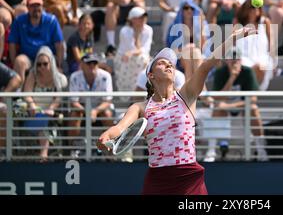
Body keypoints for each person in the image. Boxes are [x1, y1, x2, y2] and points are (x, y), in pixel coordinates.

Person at [97, 26, 257, 194]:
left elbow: (205, 66)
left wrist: (233, 37)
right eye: (161, 63)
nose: (168, 65)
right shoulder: (140, 107)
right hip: (158, 179)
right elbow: (120, 128)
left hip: (189, 178)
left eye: (171, 64)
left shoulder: (186, 96)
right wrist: (106, 136)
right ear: (151, 75)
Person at [206, 47, 268, 162]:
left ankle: (261, 150)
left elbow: (253, 99)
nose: (235, 62)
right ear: (227, 61)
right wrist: (232, 77)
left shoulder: (248, 72)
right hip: (225, 106)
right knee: (217, 110)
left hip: (240, 106)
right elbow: (217, 98)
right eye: (232, 60)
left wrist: (229, 106)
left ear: (241, 60)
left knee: (253, 109)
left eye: (237, 59)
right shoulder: (220, 73)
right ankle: (211, 151)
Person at [22, 46, 67, 161]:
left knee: (45, 125)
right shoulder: (32, 75)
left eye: (45, 64)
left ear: (51, 62)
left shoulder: (60, 78)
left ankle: (43, 156)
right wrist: (32, 106)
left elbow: (59, 98)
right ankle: (43, 156)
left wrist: (51, 109)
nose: (41, 67)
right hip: (33, 113)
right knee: (39, 120)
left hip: (51, 115)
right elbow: (27, 94)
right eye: (39, 64)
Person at [8, 0, 64, 82]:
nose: (36, 9)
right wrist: (13, 62)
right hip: (28, 57)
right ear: (27, 7)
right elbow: (12, 43)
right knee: (19, 61)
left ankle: (51, 93)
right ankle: (18, 92)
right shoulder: (19, 21)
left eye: (38, 5)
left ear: (42, 6)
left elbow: (59, 44)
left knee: (44, 57)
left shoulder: (51, 20)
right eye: (33, 6)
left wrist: (59, 65)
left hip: (46, 57)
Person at [69, 53, 114, 158]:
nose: (92, 65)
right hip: (81, 109)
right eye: (89, 63)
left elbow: (108, 101)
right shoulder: (75, 77)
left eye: (95, 63)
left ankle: (111, 151)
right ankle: (71, 149)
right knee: (74, 115)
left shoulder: (106, 76)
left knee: (107, 114)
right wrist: (87, 111)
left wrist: (95, 111)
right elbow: (74, 102)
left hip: (100, 108)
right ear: (82, 65)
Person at [235, 0, 275, 90]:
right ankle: (250, 96)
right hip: (244, 58)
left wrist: (272, 59)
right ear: (246, 9)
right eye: (252, 8)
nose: (255, 10)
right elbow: (234, 42)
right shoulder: (238, 23)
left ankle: (252, 95)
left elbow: (272, 43)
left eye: (258, 8)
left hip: (262, 57)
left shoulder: (265, 22)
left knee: (260, 66)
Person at [166, 0, 210, 81]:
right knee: (190, 56)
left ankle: (188, 90)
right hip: (179, 57)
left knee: (195, 54)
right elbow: (172, 51)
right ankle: (201, 88)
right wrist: (186, 48)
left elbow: (203, 47)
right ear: (181, 10)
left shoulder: (200, 25)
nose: (189, 10)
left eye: (192, 8)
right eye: (186, 8)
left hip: (197, 56)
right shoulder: (174, 26)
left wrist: (201, 24)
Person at [114, 7, 153, 93]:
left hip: (139, 59)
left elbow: (145, 49)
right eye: (140, 17)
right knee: (141, 59)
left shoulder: (149, 30)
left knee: (142, 59)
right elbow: (132, 49)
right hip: (124, 59)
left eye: (143, 17)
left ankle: (138, 91)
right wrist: (137, 33)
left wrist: (137, 34)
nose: (143, 19)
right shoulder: (124, 31)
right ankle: (129, 95)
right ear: (132, 19)